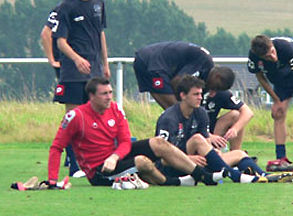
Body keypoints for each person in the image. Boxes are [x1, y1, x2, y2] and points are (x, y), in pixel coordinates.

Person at [48, 77, 221, 187]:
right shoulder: (76, 116)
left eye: (110, 92)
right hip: (99, 171)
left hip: (115, 157)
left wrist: (114, 156)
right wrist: (52, 180)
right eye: (104, 94)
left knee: (158, 142)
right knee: (142, 162)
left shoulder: (115, 109)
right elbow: (56, 148)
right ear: (91, 96)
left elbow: (124, 142)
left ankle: (203, 176)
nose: (109, 97)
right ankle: (174, 182)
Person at [155, 75, 266, 183]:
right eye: (195, 94)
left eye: (201, 94)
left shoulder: (200, 112)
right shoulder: (169, 118)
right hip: (175, 167)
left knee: (239, 154)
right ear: (183, 95)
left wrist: (213, 152)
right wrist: (188, 158)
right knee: (197, 139)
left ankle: (264, 176)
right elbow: (163, 158)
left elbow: (206, 141)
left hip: (198, 163)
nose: (200, 97)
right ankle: (236, 175)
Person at [247, 35, 293, 168]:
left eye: (272, 52)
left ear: (272, 46)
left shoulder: (286, 48)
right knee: (278, 113)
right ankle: (281, 158)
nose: (272, 57)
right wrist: (276, 100)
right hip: (280, 73)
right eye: (267, 57)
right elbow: (260, 77)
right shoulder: (254, 56)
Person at [40, 0, 84, 177]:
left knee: (80, 113)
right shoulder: (63, 8)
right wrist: (52, 60)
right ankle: (73, 161)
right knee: (75, 114)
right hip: (70, 67)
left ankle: (71, 156)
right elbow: (46, 33)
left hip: (79, 66)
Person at [133, 41, 233, 109]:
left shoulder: (207, 72)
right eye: (215, 88)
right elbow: (177, 82)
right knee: (181, 110)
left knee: (174, 110)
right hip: (152, 62)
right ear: (217, 76)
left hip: (145, 59)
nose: (213, 92)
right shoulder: (204, 62)